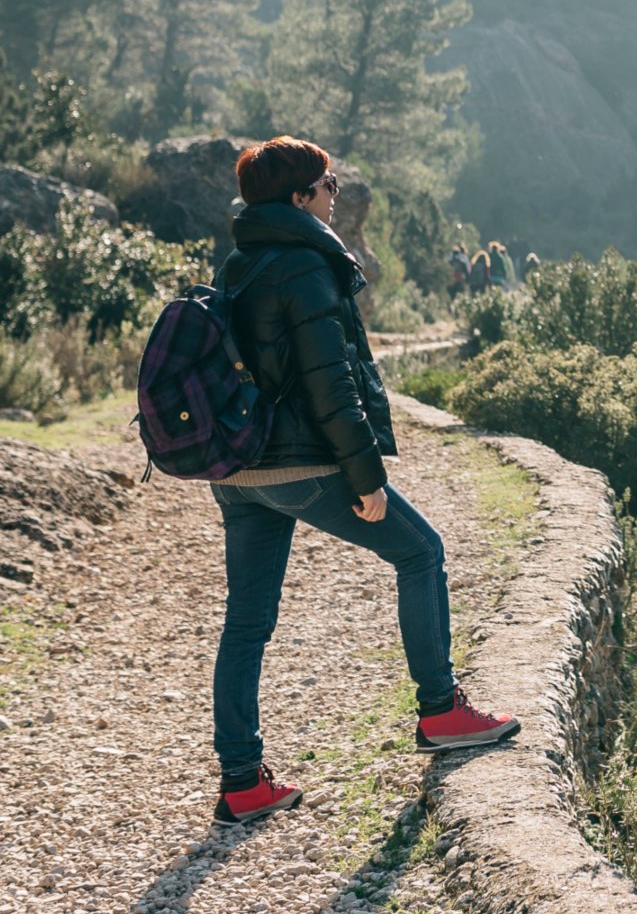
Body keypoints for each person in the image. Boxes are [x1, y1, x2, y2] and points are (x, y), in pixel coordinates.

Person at [207, 136, 519, 827]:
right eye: (327, 185)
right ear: (299, 199)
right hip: (303, 466)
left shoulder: (238, 264)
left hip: (236, 471)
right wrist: (365, 475)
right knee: (421, 551)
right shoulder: (305, 267)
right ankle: (440, 710)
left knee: (247, 622)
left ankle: (241, 782)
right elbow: (331, 383)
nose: (335, 193)